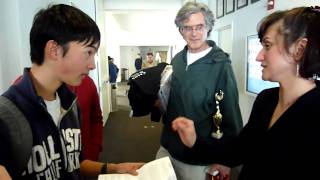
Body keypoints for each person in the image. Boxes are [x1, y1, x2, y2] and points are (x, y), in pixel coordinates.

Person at [172, 6, 320, 180]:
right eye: (188, 28)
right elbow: (239, 150)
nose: (259, 56)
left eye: (267, 45)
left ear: (300, 49)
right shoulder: (267, 99)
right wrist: (195, 141)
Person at [0, 4, 143, 179]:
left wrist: (113, 168)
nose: (92, 64)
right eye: (88, 52)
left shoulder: (69, 105)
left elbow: (74, 164)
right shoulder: (6, 116)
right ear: (54, 50)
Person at [155, 2, 243, 180]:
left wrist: (227, 158)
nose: (194, 33)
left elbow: (230, 113)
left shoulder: (221, 65)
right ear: (180, 30)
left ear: (208, 28)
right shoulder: (178, 59)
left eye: (199, 27)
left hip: (198, 157)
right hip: (168, 148)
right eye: (187, 28)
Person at [68, 75, 103, 161]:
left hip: (87, 160)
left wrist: (95, 148)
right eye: (86, 60)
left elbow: (96, 119)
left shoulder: (87, 82)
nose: (93, 66)